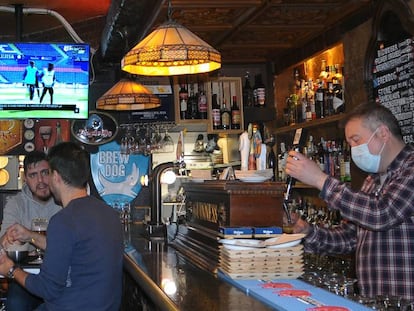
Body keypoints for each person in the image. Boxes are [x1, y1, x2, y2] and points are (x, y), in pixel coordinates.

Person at [285, 103, 414, 302]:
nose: (354, 150)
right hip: (375, 301)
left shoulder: (410, 170)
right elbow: (349, 238)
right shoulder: (373, 180)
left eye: (356, 140)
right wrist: (307, 231)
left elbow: (383, 214)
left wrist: (320, 179)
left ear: (383, 134)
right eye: (350, 144)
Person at [0, 142, 124, 310]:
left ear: (56, 177)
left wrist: (11, 269)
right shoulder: (109, 213)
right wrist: (29, 236)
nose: (44, 180)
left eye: (47, 173)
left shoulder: (64, 220)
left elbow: (46, 289)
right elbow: (71, 248)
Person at [0, 151, 61, 311]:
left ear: (54, 174)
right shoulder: (16, 203)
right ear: (25, 179)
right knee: (15, 305)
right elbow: (5, 243)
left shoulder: (64, 199)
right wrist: (8, 239)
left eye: (44, 173)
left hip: (61, 278)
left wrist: (27, 237)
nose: (40, 181)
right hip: (25, 277)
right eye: (33, 175)